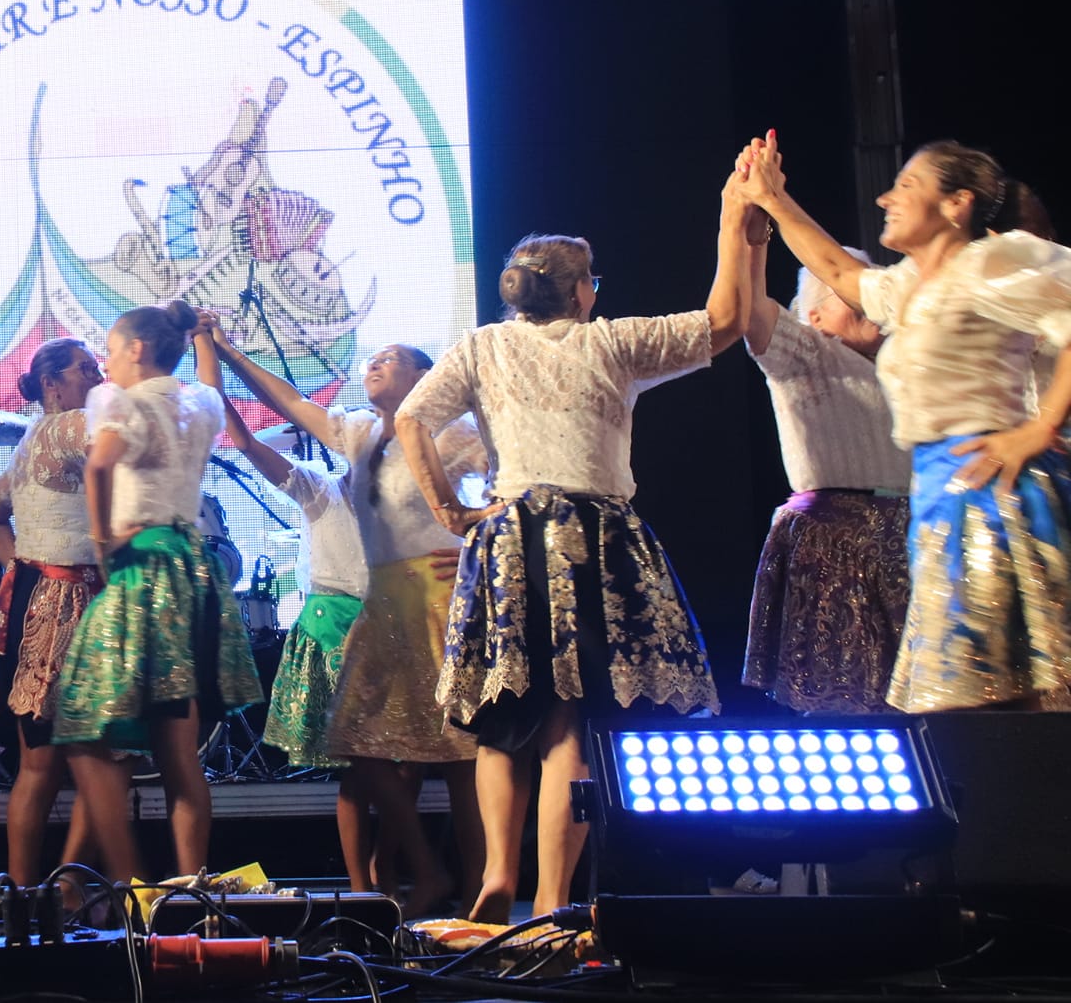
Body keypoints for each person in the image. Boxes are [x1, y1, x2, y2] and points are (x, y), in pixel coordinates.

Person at [395, 176, 751, 922]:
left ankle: (497, 872)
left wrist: (452, 511)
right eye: (593, 279)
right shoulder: (611, 341)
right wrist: (732, 217)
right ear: (583, 290)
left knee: (501, 718)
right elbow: (725, 320)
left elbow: (410, 419)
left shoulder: (482, 346)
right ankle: (553, 897)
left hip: (511, 536)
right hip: (594, 543)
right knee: (568, 729)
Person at [734, 134, 1071, 711]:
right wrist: (771, 198)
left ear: (957, 203)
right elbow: (836, 268)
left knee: (999, 699)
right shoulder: (910, 286)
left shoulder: (992, 261)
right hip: (939, 494)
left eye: (908, 185)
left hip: (993, 494)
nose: (887, 198)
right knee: (967, 701)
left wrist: (1039, 428)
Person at [202, 323, 484, 908]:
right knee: (359, 745)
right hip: (379, 611)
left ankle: (477, 890)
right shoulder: (355, 437)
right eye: (372, 359)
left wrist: (478, 533)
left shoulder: (450, 436)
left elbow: (515, 470)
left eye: (391, 358)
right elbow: (288, 404)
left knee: (459, 760)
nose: (375, 364)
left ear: (424, 379)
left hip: (438, 609)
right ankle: (397, 878)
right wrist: (227, 350)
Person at [52, 300, 262, 886]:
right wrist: (202, 340)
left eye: (113, 350)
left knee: (82, 722)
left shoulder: (121, 401)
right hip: (194, 565)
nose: (106, 363)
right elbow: (210, 384)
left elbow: (99, 467)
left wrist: (101, 544)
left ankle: (131, 884)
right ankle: (191, 884)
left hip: (143, 569)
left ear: (138, 350)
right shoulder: (200, 403)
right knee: (179, 751)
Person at [739, 223, 913, 714]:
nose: (869, 309)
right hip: (836, 540)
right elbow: (753, 314)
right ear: (816, 315)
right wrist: (753, 241)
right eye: (852, 298)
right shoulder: (806, 354)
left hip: (911, 538)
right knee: (845, 693)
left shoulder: (902, 365)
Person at [0, 337, 105, 890]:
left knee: (41, 766)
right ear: (52, 385)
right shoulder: (69, 426)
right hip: (70, 600)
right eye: (87, 369)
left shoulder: (30, 437)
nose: (99, 376)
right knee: (96, 762)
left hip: (35, 594)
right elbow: (137, 439)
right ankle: (64, 890)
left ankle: (24, 896)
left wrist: (20, 566)